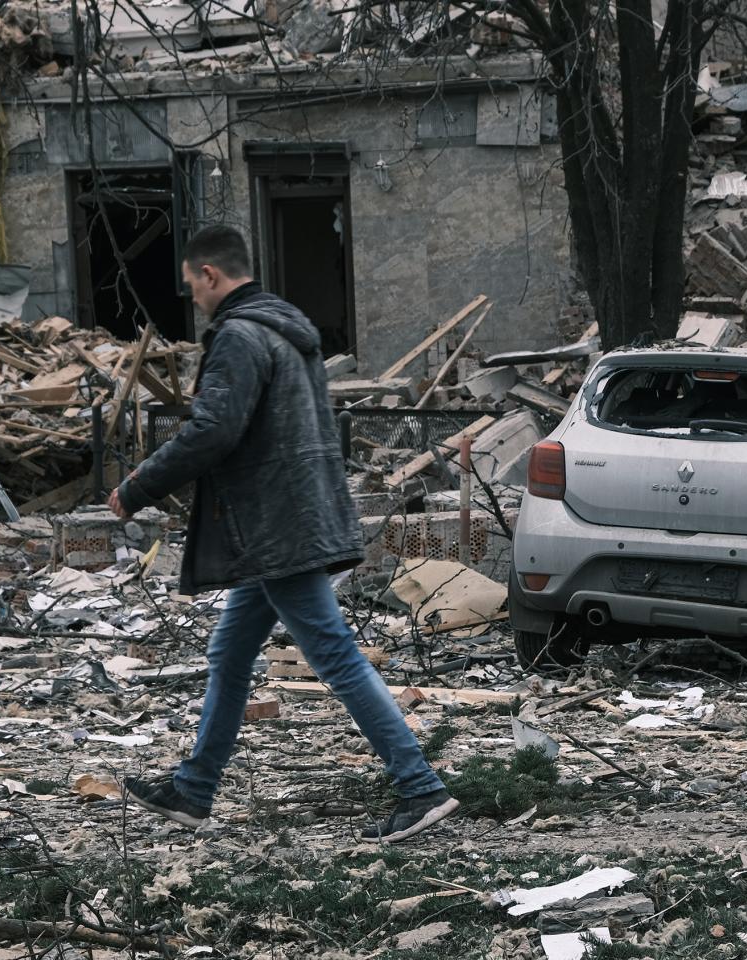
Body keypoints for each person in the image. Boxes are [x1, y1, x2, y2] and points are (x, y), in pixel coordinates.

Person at [109, 224, 458, 843]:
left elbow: (213, 430)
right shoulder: (287, 331)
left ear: (210, 275)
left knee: (334, 656)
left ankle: (420, 785)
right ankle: (193, 790)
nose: (192, 298)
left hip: (278, 528)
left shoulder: (241, 338)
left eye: (192, 285)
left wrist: (137, 487)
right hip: (289, 520)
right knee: (230, 654)